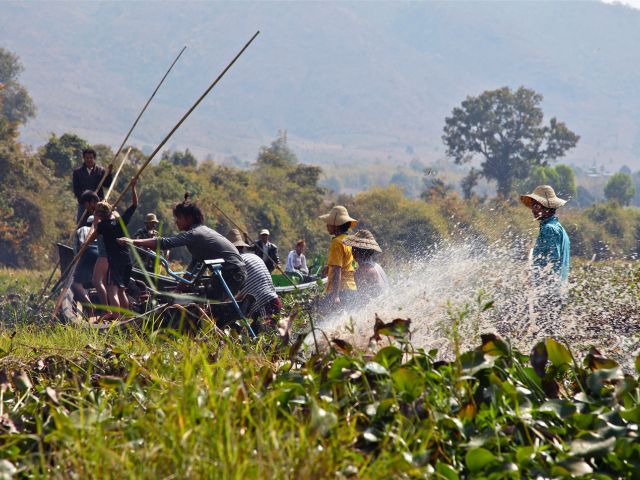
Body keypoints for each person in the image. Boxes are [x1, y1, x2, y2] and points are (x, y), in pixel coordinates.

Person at [119, 194, 246, 301]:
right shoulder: (202, 234)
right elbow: (192, 269)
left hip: (231, 272)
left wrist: (133, 241)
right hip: (236, 272)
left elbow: (165, 243)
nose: (176, 221)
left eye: (178, 218)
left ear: (189, 218)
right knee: (209, 301)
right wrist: (178, 290)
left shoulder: (194, 234)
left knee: (211, 306)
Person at [520, 185, 570, 332]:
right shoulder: (557, 227)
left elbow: (553, 259)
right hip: (556, 291)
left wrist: (533, 273)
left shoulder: (549, 229)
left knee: (546, 334)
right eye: (533, 206)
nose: (533, 210)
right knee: (550, 333)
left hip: (549, 292)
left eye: (537, 206)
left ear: (548, 209)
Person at [93, 178, 138, 317]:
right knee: (121, 291)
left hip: (115, 262)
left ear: (101, 215)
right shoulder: (121, 222)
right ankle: (126, 317)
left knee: (112, 290)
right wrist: (132, 187)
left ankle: (117, 318)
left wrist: (95, 215)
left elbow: (95, 232)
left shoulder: (102, 226)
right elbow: (135, 204)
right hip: (127, 260)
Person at [227, 229, 282, 328]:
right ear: (243, 246)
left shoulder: (237, 264)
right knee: (272, 339)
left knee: (264, 339)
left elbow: (236, 291)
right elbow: (249, 288)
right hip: (274, 301)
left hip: (264, 306)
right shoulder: (254, 257)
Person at [319, 205, 358, 307]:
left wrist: (336, 296)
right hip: (351, 288)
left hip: (340, 290)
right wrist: (329, 267)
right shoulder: (349, 240)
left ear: (336, 225)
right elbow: (347, 263)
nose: (327, 225)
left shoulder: (337, 242)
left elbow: (337, 269)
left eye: (329, 223)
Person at [79, 190, 109, 307]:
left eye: (86, 205)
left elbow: (96, 230)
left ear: (91, 202)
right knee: (107, 283)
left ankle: (107, 310)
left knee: (97, 281)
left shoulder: (100, 211)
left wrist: (86, 242)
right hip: (108, 251)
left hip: (105, 252)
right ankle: (113, 311)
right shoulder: (104, 210)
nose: (86, 208)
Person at [342, 230, 389, 300]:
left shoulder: (362, 270)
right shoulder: (376, 266)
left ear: (355, 252)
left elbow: (363, 298)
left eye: (352, 250)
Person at [72, 148, 113, 223]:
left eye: (91, 158)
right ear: (84, 158)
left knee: (99, 225)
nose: (89, 160)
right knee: (81, 224)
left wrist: (109, 174)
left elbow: (107, 185)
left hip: (98, 205)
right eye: (87, 158)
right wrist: (85, 202)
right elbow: (76, 190)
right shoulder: (77, 172)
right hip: (84, 204)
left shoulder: (101, 171)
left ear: (94, 158)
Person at [71, 215, 99, 314]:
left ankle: (90, 306)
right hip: (101, 255)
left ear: (87, 223)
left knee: (75, 283)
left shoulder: (83, 229)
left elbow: (82, 245)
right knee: (99, 281)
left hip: (89, 252)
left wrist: (76, 262)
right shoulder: (100, 229)